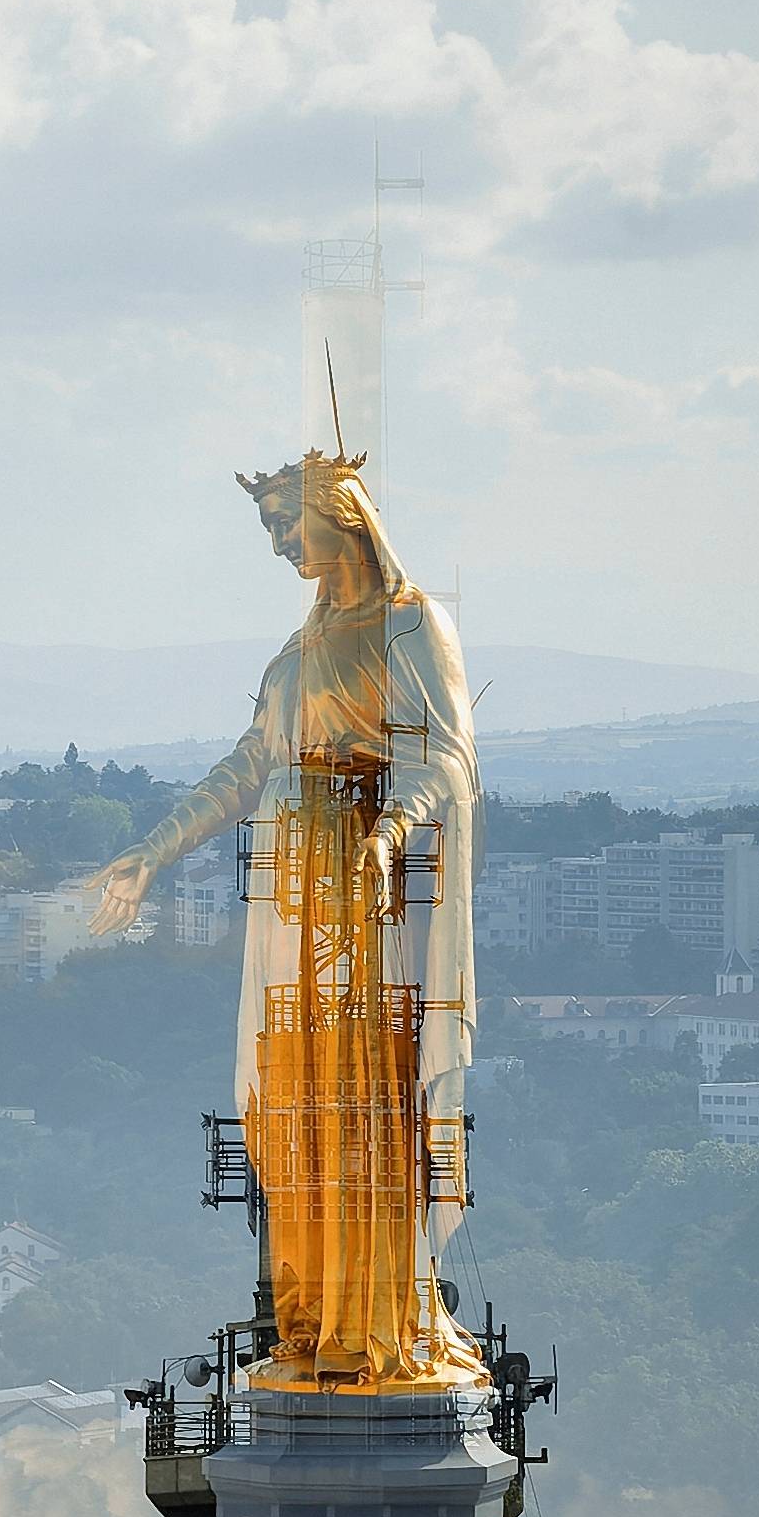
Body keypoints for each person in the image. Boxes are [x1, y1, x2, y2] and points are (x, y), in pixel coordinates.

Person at [95, 454, 481, 1390]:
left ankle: (382, 1312)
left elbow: (449, 758)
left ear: (338, 515)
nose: (278, 547)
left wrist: (392, 828)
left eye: (285, 526)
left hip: (366, 894)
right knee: (301, 1105)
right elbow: (241, 770)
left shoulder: (410, 627)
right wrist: (150, 853)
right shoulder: (294, 656)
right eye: (267, 531)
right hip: (294, 906)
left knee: (373, 1100)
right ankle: (310, 1321)